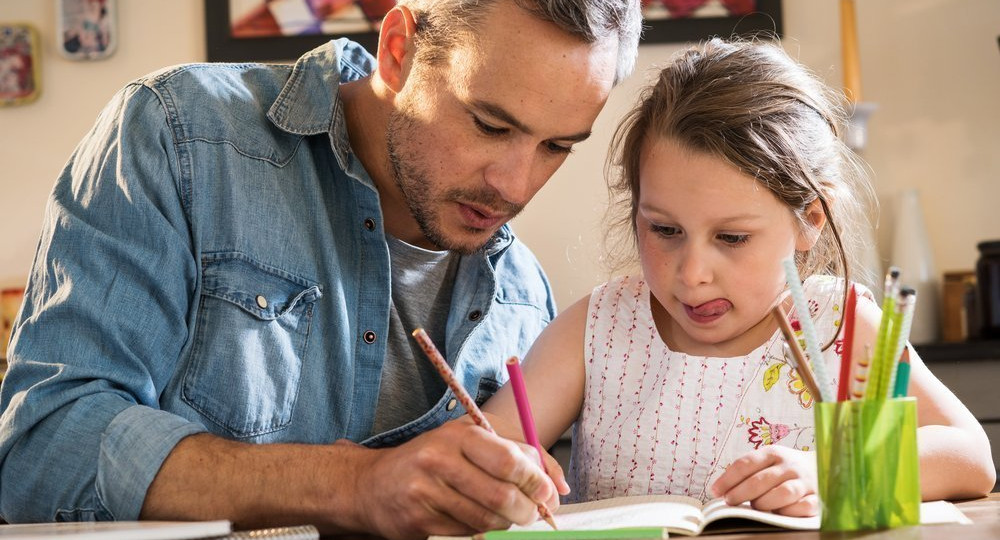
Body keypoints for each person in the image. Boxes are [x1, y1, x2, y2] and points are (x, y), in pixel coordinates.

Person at [0, 0, 641, 538]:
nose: (514, 185)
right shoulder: (180, 135)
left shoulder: (525, 301)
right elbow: (45, 449)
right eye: (489, 125)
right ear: (398, 49)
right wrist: (354, 484)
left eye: (557, 147)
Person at [482, 38, 996, 516]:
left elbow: (969, 457)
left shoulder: (840, 323)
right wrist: (503, 468)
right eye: (664, 229)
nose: (693, 273)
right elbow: (490, 442)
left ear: (809, 220)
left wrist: (836, 473)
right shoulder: (597, 328)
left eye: (731, 238)